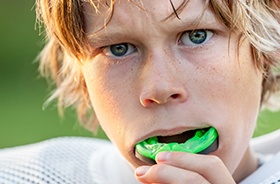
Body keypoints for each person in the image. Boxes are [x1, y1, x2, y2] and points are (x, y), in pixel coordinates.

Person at [1, 0, 280, 183]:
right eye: (118, 49)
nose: (159, 88)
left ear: (269, 39)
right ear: (81, 75)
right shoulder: (27, 175)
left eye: (196, 36)